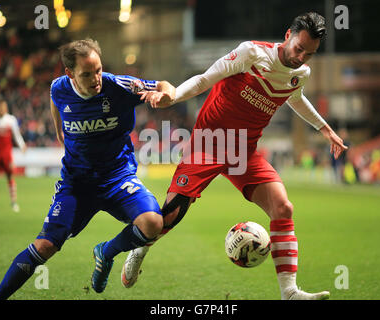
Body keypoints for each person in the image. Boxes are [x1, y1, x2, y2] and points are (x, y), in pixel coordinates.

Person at [124, 12, 348, 300]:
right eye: (299, 48)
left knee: (283, 209)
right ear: (287, 36)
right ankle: (140, 248)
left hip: (245, 151)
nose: (302, 57)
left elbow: (295, 96)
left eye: (310, 53)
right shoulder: (251, 53)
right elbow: (205, 79)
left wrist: (325, 129)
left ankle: (289, 293)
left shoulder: (300, 73)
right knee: (170, 216)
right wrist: (174, 96)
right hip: (209, 141)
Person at [0, 38, 175, 300]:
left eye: (98, 70)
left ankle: (106, 252)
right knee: (44, 246)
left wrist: (166, 95)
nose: (96, 78)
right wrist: (59, 129)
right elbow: (55, 97)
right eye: (87, 74)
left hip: (118, 177)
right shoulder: (60, 87)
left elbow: (163, 86)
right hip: (76, 184)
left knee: (153, 223)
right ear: (70, 74)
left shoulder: (119, 86)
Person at [0, 99, 27, 212]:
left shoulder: (10, 120)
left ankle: (13, 202)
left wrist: (22, 145)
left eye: (3, 107)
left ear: (6, 108)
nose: (1, 109)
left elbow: (16, 135)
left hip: (6, 154)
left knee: (10, 176)